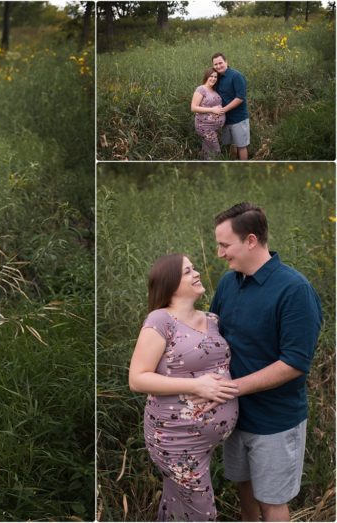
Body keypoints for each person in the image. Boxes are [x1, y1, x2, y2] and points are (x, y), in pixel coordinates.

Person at [210, 203, 322, 522]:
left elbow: (295, 363)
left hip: (275, 422)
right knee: (244, 493)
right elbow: (213, 334)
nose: (219, 253)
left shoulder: (294, 290)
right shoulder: (229, 283)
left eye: (224, 245)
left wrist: (232, 388)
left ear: (250, 241)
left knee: (272, 503)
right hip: (234, 417)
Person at [129, 253, 240, 521]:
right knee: (202, 513)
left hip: (203, 440)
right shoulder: (160, 321)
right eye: (188, 271)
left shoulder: (212, 319)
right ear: (170, 283)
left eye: (194, 268)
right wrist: (198, 386)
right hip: (176, 438)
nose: (197, 273)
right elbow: (137, 378)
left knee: (178, 503)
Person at [210, 53, 250, 160]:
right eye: (215, 64)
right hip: (225, 119)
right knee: (230, 145)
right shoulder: (216, 78)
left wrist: (223, 110)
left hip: (239, 118)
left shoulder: (236, 76)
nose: (218, 66)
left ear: (226, 62)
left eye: (220, 63)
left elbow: (240, 97)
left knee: (241, 146)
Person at [191, 68, 225, 160]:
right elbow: (193, 107)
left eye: (215, 77)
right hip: (205, 126)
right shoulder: (201, 89)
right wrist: (212, 110)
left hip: (214, 127)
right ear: (206, 76)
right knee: (216, 151)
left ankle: (202, 163)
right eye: (211, 76)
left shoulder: (214, 91)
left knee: (207, 149)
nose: (213, 79)